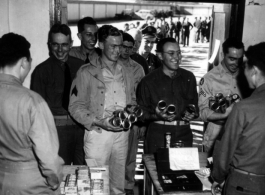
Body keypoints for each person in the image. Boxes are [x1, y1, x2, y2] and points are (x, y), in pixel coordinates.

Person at [68, 25, 137, 195]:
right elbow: (75, 106)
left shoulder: (127, 72)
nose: (117, 50)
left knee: (117, 185)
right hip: (98, 133)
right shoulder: (86, 72)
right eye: (113, 46)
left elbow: (132, 100)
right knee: (96, 186)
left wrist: (132, 112)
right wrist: (99, 121)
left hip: (122, 134)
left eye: (120, 46)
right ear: (100, 45)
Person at [0, 33, 63, 194]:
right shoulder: (32, 101)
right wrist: (54, 180)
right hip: (30, 184)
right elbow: (48, 158)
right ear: (23, 62)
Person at [211, 42, 265, 195]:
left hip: (244, 185)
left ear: (254, 71)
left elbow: (225, 150)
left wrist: (218, 178)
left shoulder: (244, 108)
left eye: (245, 67)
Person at [31, 24, 85, 165]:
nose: (60, 50)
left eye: (64, 45)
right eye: (55, 45)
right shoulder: (41, 71)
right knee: (62, 172)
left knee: (85, 172)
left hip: (82, 129)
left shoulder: (81, 66)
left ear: (71, 44)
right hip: (57, 131)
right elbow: (37, 110)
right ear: (49, 45)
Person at [137, 38, 198, 154]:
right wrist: (156, 116)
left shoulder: (189, 77)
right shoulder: (148, 81)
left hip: (184, 133)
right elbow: (141, 113)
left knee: (183, 171)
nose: (177, 57)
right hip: (158, 134)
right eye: (171, 53)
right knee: (156, 170)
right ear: (160, 56)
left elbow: (195, 106)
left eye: (179, 52)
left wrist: (192, 113)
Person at [198, 37, 244, 155]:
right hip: (216, 133)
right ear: (223, 54)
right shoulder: (209, 79)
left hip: (241, 134)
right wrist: (224, 114)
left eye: (240, 59)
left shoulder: (248, 76)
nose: (236, 63)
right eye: (232, 59)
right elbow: (202, 112)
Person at [119, 32, 145, 195]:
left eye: (130, 47)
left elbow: (143, 98)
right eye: (124, 47)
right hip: (114, 119)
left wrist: (142, 123)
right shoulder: (108, 66)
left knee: (130, 156)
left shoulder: (138, 68)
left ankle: (128, 187)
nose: (127, 51)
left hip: (133, 120)